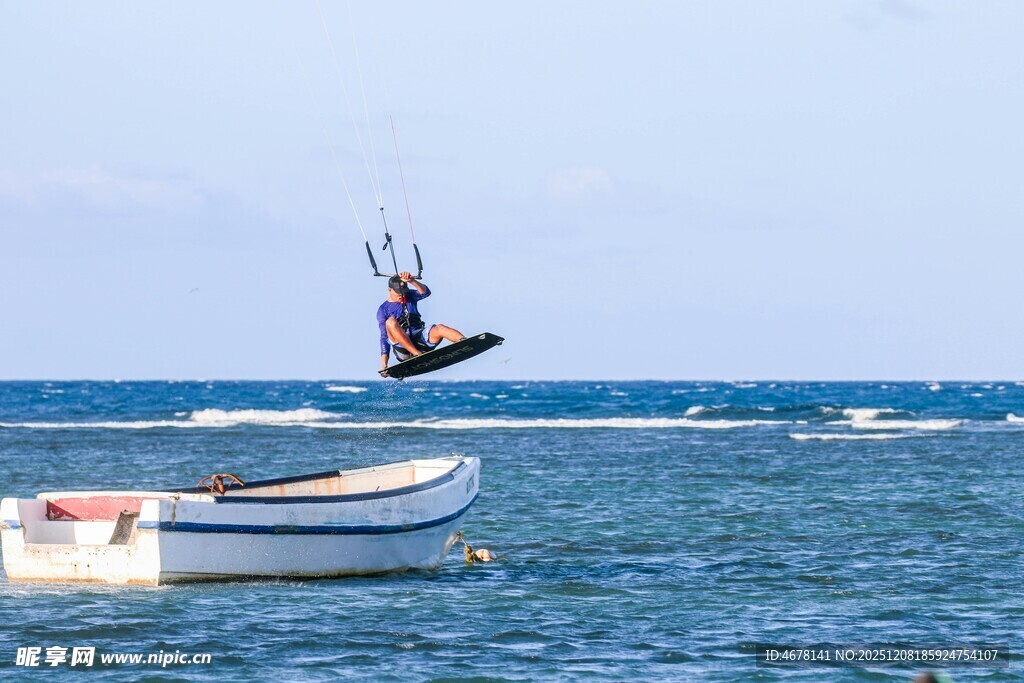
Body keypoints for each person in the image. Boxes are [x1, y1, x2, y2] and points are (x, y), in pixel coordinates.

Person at [377, 272, 464, 375]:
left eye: (403, 292)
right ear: (389, 290)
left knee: (440, 328)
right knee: (390, 322)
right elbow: (384, 337)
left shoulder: (410, 296)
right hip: (403, 349)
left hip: (420, 340)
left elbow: (426, 292)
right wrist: (384, 364)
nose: (402, 295)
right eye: (398, 293)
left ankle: (464, 342)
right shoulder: (383, 309)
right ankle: (417, 354)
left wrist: (411, 281)